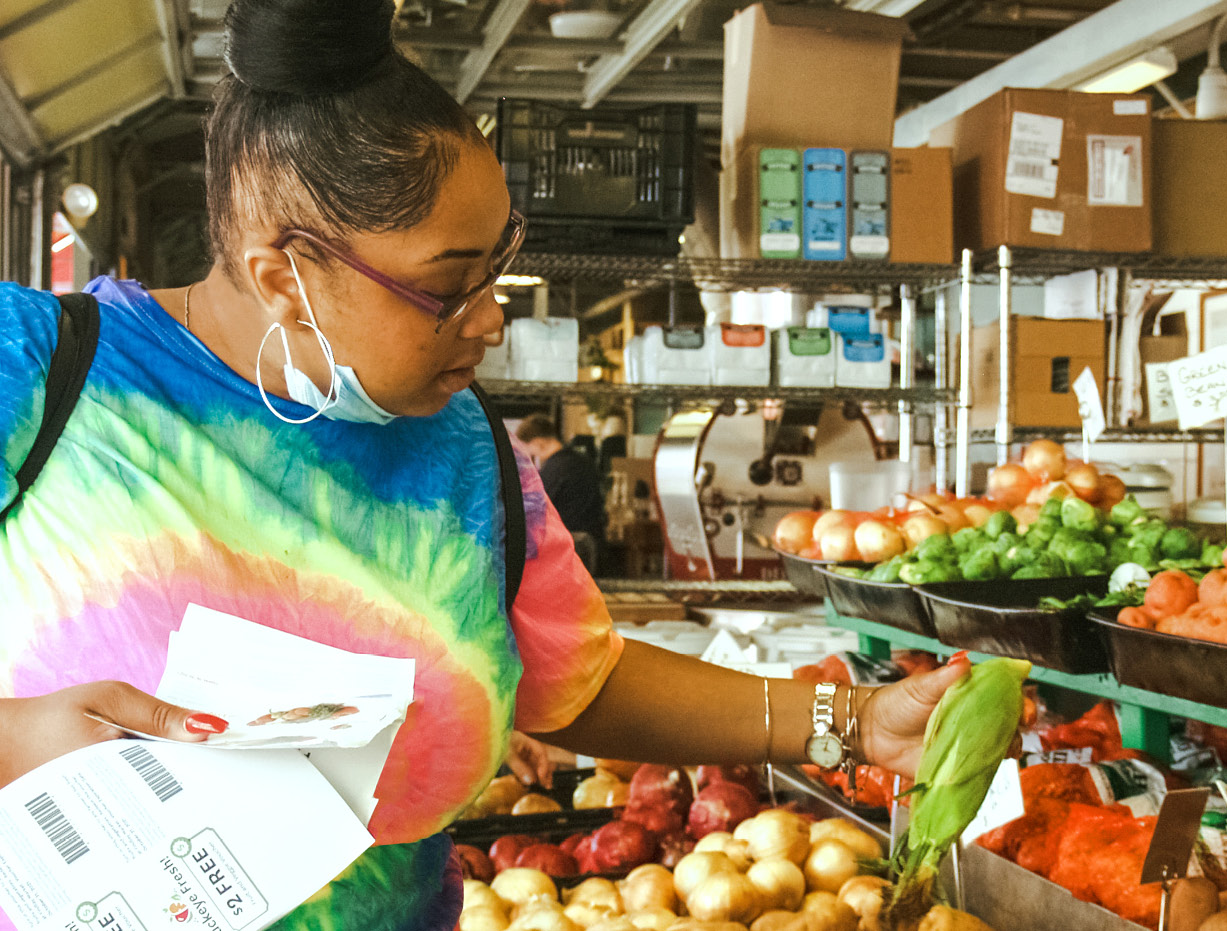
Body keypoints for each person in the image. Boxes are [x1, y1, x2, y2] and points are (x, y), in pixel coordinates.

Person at [0, 2, 973, 930]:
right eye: (445, 285)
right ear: (283, 275)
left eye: (497, 264)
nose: (492, 315)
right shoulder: (39, 372)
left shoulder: (470, 450)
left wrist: (850, 720)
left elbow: (575, 683)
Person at [516, 413, 607, 571]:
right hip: (593, 544)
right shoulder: (584, 461)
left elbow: (535, 512)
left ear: (539, 443)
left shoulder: (552, 470)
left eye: (531, 452)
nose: (531, 458)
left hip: (568, 548)